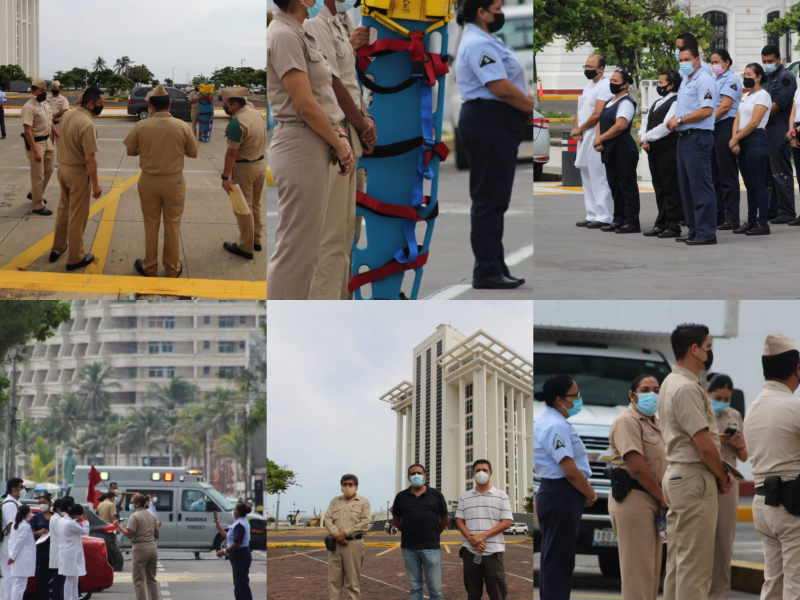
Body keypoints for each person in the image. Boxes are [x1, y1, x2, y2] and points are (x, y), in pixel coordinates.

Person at [266, 0, 354, 299]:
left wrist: (338, 133)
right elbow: (305, 106)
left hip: (314, 141)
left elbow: (322, 95)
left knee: (309, 252)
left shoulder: (300, 33)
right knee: (296, 254)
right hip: (300, 143)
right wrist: (339, 144)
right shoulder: (284, 35)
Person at [455, 0, 532, 290]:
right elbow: (500, 88)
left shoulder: (486, 39)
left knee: (495, 199)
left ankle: (494, 264)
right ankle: (486, 270)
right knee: (489, 199)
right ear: (481, 12)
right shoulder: (477, 43)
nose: (501, 12)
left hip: (494, 121)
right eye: (497, 7)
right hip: (488, 121)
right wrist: (529, 108)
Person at [305, 0, 376, 299]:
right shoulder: (314, 24)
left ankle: (341, 301)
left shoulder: (339, 21)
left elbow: (350, 80)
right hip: (336, 132)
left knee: (347, 236)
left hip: (351, 130)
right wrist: (360, 122)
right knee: (330, 240)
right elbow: (331, 85)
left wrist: (365, 120)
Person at [660, 323, 734, 600]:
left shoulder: (670, 382)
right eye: (708, 347)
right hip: (693, 478)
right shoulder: (687, 388)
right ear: (695, 350)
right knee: (696, 568)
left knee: (679, 563)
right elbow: (704, 446)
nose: (710, 352)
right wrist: (723, 476)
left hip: (679, 476)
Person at [743, 334, 800, 598]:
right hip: (792, 506)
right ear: (796, 369)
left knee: (773, 584)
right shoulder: (794, 406)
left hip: (763, 505)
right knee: (795, 586)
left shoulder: (753, 408)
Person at [122, 84, 198, 277]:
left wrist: (147, 150)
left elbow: (131, 151)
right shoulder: (182, 126)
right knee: (173, 225)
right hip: (174, 182)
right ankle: (172, 268)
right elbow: (193, 153)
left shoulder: (141, 126)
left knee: (151, 224)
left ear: (151, 107)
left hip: (148, 181)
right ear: (170, 105)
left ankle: (149, 266)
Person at [534, 375, 596, 600]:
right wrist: (588, 491)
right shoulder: (555, 425)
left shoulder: (550, 420)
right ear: (560, 399)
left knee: (554, 559)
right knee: (559, 562)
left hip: (558, 492)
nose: (579, 399)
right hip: (561, 493)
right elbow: (569, 469)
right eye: (575, 395)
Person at [607, 374, 667, 600]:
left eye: (656, 389)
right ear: (632, 395)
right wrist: (663, 497)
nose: (652, 394)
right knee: (637, 576)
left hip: (654, 499)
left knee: (650, 572)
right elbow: (638, 467)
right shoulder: (627, 421)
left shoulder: (657, 423)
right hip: (634, 498)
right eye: (645, 390)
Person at [49, 86, 104, 271]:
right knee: (78, 217)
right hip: (78, 174)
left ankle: (57, 248)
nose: (101, 107)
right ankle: (75, 258)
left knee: (64, 210)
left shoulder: (68, 115)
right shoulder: (87, 124)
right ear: (90, 103)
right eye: (100, 104)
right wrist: (95, 185)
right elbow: (90, 159)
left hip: (62, 169)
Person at [667, 46, 718, 245]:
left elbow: (706, 111)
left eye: (687, 59)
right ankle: (694, 228)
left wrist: (679, 119)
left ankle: (706, 232)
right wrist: (674, 119)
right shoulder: (687, 80)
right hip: (684, 137)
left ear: (697, 60)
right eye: (681, 60)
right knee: (686, 186)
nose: (684, 63)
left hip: (698, 136)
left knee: (700, 185)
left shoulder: (704, 79)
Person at [704, 374, 747, 600]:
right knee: (701, 538)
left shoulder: (734, 415)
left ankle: (719, 594)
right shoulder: (701, 412)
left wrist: (739, 445)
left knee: (723, 540)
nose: (723, 402)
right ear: (708, 393)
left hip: (729, 483)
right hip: (705, 478)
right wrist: (716, 440)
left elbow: (745, 455)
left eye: (727, 399)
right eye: (718, 397)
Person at [454, 459, 513, 600]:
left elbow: (506, 522)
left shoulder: (501, 495)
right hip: (469, 551)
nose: (481, 473)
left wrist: (482, 536)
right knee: (473, 593)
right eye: (478, 470)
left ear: (490, 473)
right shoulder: (464, 496)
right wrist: (472, 539)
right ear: (473, 473)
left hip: (493, 553)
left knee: (497, 594)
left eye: (484, 470)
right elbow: (459, 520)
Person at [219, 87, 267, 261]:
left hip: (244, 169)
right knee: (255, 205)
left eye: (226, 104)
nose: (225, 107)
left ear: (235, 104)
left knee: (242, 208)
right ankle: (256, 240)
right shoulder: (255, 113)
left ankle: (245, 247)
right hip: (260, 165)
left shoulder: (237, 123)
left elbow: (231, 154)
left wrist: (225, 177)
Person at [593, 68, 640, 234]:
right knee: (615, 185)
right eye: (611, 80)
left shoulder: (626, 103)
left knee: (626, 185)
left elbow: (620, 126)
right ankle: (619, 218)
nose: (612, 84)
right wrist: (598, 139)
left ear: (625, 84)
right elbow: (601, 121)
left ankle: (632, 221)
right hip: (610, 148)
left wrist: (601, 139)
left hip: (623, 149)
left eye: (615, 81)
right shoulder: (609, 102)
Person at [391, 464, 449, 600]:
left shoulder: (436, 494)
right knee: (415, 588)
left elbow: (445, 519)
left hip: (431, 547)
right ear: (408, 478)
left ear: (425, 476)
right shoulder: (401, 496)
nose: (416, 475)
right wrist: (406, 531)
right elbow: (396, 521)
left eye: (419, 473)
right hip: (409, 548)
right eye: (413, 473)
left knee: (435, 589)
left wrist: (434, 533)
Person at [572, 54, 613, 229]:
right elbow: (580, 111)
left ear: (601, 68)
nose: (587, 70)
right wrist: (577, 128)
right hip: (583, 135)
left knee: (598, 176)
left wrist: (580, 129)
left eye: (590, 67)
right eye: (586, 66)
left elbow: (598, 114)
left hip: (595, 134)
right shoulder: (588, 86)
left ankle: (604, 216)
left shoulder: (605, 86)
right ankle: (591, 214)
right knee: (586, 175)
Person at [639, 69, 682, 238]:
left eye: (661, 83)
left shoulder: (676, 101)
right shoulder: (658, 102)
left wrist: (647, 137)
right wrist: (642, 137)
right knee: (659, 187)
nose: (659, 86)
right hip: (653, 149)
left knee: (670, 187)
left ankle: (673, 225)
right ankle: (661, 223)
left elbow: (666, 126)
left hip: (668, 149)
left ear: (671, 85)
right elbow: (646, 121)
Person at [730, 64, 771, 237]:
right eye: (744, 73)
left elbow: (754, 123)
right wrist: (735, 140)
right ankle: (751, 221)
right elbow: (737, 118)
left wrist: (736, 138)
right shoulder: (746, 95)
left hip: (756, 139)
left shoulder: (763, 96)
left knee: (758, 183)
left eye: (749, 74)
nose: (746, 76)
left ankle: (763, 223)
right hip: (743, 140)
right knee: (748, 184)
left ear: (758, 77)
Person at [759, 44, 798, 224]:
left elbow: (777, 105)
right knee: (768, 173)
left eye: (770, 61)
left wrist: (758, 116)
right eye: (764, 61)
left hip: (779, 130)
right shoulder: (767, 77)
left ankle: (787, 211)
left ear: (779, 60)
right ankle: (772, 210)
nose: (767, 64)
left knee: (780, 172)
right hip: (766, 129)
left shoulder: (785, 77)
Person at [708, 50, 742, 230]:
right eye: (712, 62)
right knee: (714, 174)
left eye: (717, 62)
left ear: (727, 62)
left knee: (727, 173)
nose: (714, 65)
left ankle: (732, 217)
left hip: (724, 125)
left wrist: (706, 121)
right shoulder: (714, 80)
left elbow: (725, 106)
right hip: (713, 126)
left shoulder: (732, 80)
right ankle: (718, 214)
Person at [324, 474, 370, 600]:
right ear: (341, 486)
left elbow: (365, 523)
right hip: (335, 545)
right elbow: (327, 519)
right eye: (344, 484)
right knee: (334, 581)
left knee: (352, 583)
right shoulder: (335, 501)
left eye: (350, 484)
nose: (347, 487)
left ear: (356, 487)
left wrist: (345, 533)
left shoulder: (363, 502)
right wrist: (337, 534)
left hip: (354, 545)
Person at [21, 78, 57, 215]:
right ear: (33, 91)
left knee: (49, 169)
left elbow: (50, 123)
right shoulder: (29, 107)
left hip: (47, 141)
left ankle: (34, 193)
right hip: (36, 143)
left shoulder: (45, 104)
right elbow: (27, 131)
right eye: (41, 91)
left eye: (45, 90)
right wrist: (35, 150)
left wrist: (58, 136)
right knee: (38, 175)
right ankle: (37, 205)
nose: (44, 93)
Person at [113, 494, 159, 600]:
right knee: (151, 579)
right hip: (152, 548)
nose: (130, 504)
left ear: (138, 504)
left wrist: (119, 525)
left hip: (140, 549)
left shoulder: (135, 516)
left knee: (138, 580)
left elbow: (130, 534)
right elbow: (157, 535)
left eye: (132, 502)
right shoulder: (151, 516)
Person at [214, 502, 253, 600]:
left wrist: (224, 551)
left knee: (241, 586)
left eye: (234, 509)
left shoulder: (240, 524)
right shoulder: (239, 522)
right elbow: (228, 537)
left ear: (237, 512)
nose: (233, 511)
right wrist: (218, 526)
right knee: (239, 584)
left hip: (241, 556)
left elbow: (237, 543)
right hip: (238, 556)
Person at [58, 504, 90, 600]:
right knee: (70, 579)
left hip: (68, 552)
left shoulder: (62, 520)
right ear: (77, 514)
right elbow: (85, 532)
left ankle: (75, 597)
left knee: (74, 579)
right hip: (71, 553)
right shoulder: (70, 523)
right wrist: (85, 519)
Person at [0, 478, 24, 600]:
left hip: (12, 544)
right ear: (13, 489)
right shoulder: (10, 504)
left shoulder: (16, 503)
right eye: (21, 487)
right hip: (8, 545)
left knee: (10, 575)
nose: (22, 490)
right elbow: (12, 525)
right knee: (9, 576)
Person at [7, 505, 35, 600]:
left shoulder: (16, 525)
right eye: (30, 512)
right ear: (28, 513)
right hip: (22, 559)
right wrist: (13, 556)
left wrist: (11, 555)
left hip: (18, 559)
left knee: (16, 585)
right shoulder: (25, 526)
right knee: (20, 586)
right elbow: (20, 542)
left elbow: (11, 542)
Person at [31, 495, 53, 600]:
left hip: (54, 550)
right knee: (42, 577)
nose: (41, 505)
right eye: (39, 503)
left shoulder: (55, 517)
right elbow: (31, 534)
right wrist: (39, 532)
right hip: (41, 551)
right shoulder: (37, 517)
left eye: (43, 503)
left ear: (49, 503)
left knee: (56, 576)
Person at [49, 498, 71, 600]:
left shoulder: (55, 518)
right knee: (59, 580)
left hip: (57, 551)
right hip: (58, 552)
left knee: (59, 579)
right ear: (58, 509)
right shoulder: (57, 519)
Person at [47, 81, 70, 154]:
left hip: (58, 125)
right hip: (48, 125)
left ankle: (61, 163)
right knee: (48, 146)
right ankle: (49, 164)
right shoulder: (46, 98)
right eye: (53, 87)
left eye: (56, 88)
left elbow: (64, 110)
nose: (54, 89)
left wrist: (53, 116)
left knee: (60, 144)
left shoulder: (63, 99)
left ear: (59, 89)